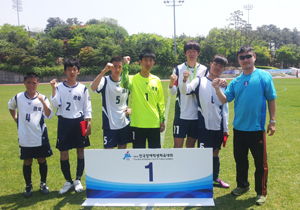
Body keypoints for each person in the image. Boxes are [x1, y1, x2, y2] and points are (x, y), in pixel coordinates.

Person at [212, 45, 276, 205]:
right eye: (242, 57)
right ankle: (242, 185)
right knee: (240, 160)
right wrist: (217, 89)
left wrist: (272, 121)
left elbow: (271, 98)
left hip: (257, 129)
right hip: (239, 129)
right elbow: (225, 99)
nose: (245, 60)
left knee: (260, 163)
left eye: (248, 56)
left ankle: (261, 192)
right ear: (238, 60)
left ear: (254, 57)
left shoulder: (264, 76)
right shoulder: (236, 81)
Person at [180, 55, 230, 188]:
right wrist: (184, 80)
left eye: (220, 66)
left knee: (215, 152)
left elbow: (225, 107)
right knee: (203, 153)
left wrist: (225, 128)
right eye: (215, 64)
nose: (217, 68)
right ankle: (200, 180)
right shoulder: (199, 80)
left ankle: (215, 178)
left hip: (218, 125)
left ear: (223, 69)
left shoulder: (223, 85)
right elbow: (185, 91)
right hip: (203, 125)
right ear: (211, 64)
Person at [50, 58, 92, 194]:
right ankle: (68, 181)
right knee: (64, 154)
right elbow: (55, 105)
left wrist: (88, 122)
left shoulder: (83, 88)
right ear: (65, 72)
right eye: (69, 69)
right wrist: (53, 89)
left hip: (79, 121)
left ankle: (78, 179)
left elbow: (87, 107)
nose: (72, 72)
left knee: (81, 151)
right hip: (64, 122)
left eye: (74, 69)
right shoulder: (59, 87)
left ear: (78, 71)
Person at [8, 72, 54, 198]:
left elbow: (49, 115)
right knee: (27, 161)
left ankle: (43, 183)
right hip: (25, 136)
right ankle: (28, 185)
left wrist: (42, 102)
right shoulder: (18, 97)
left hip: (40, 136)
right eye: (29, 82)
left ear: (38, 83)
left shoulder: (42, 98)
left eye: (34, 82)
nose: (31, 85)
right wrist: (15, 118)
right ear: (24, 83)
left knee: (41, 159)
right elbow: (10, 106)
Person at [120, 49, 165, 149]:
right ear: (140, 62)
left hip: (154, 123)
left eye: (150, 60)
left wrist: (162, 120)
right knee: (138, 156)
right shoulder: (133, 79)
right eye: (145, 60)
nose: (148, 63)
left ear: (153, 62)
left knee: (155, 155)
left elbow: (160, 102)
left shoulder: (156, 80)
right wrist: (126, 65)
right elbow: (124, 84)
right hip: (138, 124)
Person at [169, 40, 208, 148]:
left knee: (190, 146)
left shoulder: (204, 70)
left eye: (194, 51)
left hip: (197, 114)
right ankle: (177, 166)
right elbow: (172, 93)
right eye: (189, 51)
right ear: (185, 53)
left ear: (198, 53)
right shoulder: (178, 69)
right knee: (177, 146)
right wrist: (172, 83)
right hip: (181, 114)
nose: (191, 54)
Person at [90, 55, 132, 149]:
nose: (117, 69)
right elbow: (93, 87)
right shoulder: (105, 80)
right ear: (110, 67)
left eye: (119, 67)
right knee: (109, 153)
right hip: (109, 123)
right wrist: (104, 71)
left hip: (124, 122)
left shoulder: (126, 82)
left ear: (122, 68)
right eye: (114, 66)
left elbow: (136, 97)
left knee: (122, 153)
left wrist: (131, 108)